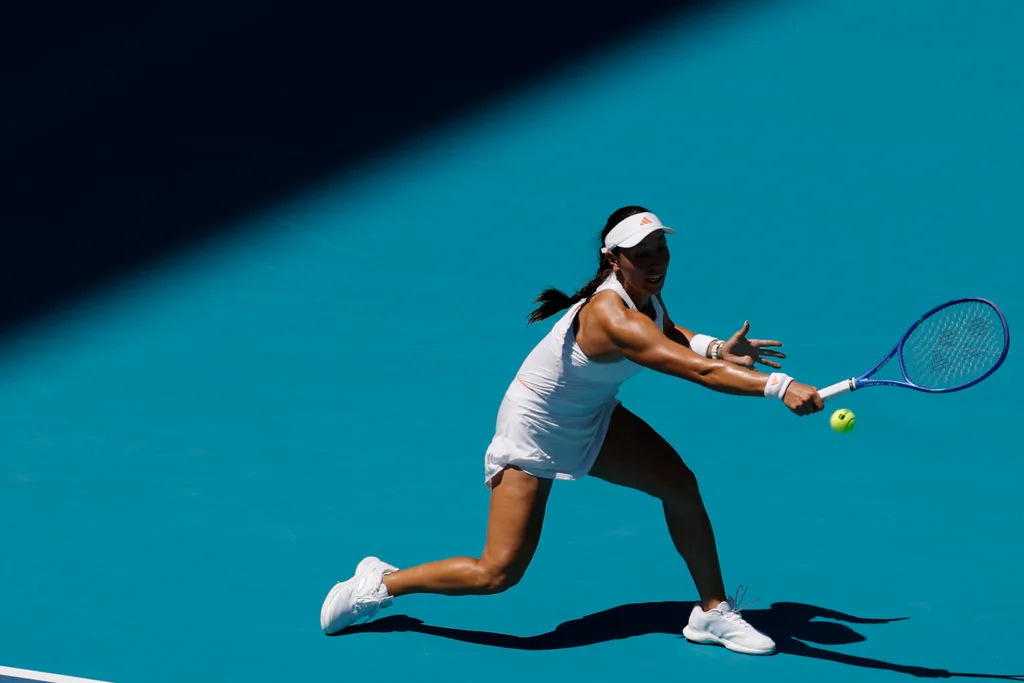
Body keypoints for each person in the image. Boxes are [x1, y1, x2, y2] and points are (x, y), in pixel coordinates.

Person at [319, 205, 824, 655]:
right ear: (614, 260)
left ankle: (712, 612)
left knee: (680, 487)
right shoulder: (610, 315)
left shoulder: (642, 295)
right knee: (497, 573)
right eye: (641, 254)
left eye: (660, 248)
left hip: (592, 414)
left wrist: (715, 346)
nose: (655, 261)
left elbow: (669, 332)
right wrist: (779, 386)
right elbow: (695, 371)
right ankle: (381, 584)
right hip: (536, 428)